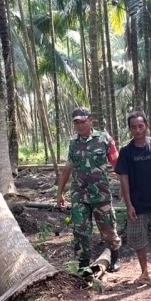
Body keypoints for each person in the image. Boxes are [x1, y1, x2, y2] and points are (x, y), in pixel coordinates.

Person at [56, 107, 122, 273]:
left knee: (108, 228)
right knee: (80, 230)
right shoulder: (73, 143)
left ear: (90, 120)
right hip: (79, 195)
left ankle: (115, 258)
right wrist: (59, 193)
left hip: (101, 194)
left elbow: (116, 163)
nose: (79, 125)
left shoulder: (104, 139)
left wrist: (123, 185)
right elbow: (67, 169)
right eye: (76, 123)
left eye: (82, 121)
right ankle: (83, 265)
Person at [115, 110, 151, 281]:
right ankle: (144, 271)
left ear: (146, 126)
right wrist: (128, 205)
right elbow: (124, 177)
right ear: (130, 129)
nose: (138, 130)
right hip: (136, 202)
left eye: (141, 126)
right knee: (138, 237)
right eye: (134, 127)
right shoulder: (126, 151)